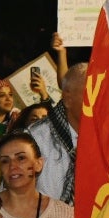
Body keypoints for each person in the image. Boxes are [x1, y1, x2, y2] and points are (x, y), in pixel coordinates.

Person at [26, 63, 88, 204]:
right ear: (67, 99)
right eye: (89, 93)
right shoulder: (34, 138)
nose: (98, 101)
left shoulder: (108, 138)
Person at [0, 132, 75, 218]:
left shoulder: (65, 216)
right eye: (5, 161)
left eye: (21, 158)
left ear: (38, 164)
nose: (12, 166)